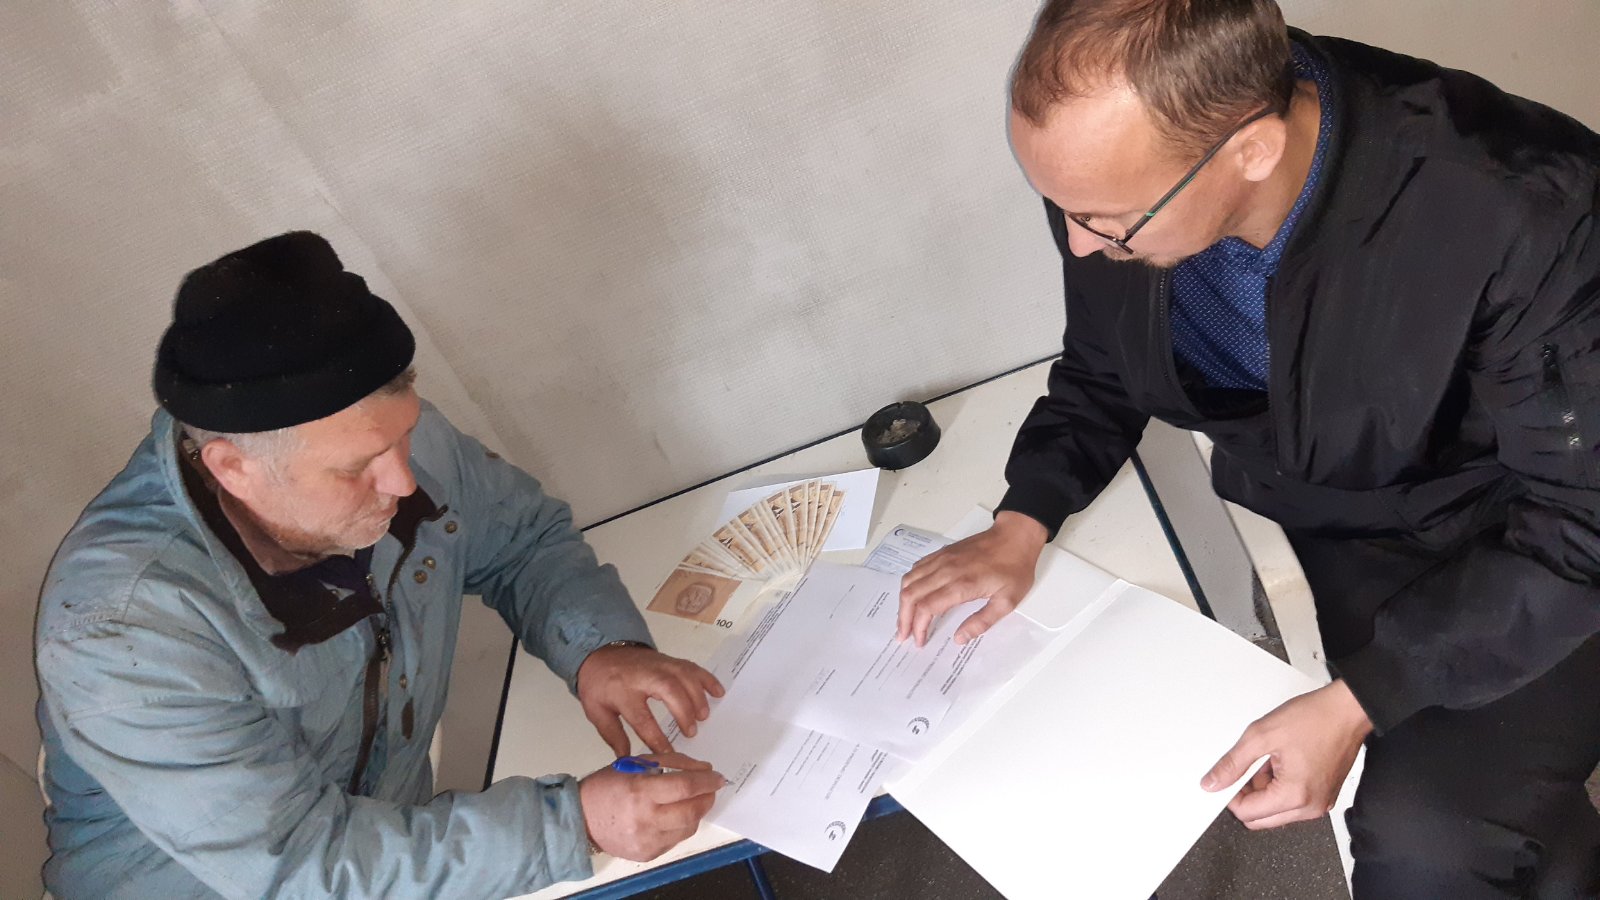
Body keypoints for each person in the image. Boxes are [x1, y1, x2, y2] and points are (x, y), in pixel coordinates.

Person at [896, 1, 1600, 896]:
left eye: (1108, 220)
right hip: (1342, 516)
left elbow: (1582, 524)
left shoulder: (1528, 215)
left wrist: (1362, 698)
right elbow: (1107, 363)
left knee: (1425, 843)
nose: (1078, 242)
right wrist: (1023, 517)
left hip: (1525, 538)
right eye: (1061, 207)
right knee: (1489, 823)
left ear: (1253, 151)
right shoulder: (1127, 191)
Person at [35, 231, 727, 899]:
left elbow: (522, 539)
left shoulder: (378, 435)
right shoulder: (119, 630)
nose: (403, 481)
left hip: (389, 844)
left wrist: (602, 649)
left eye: (406, 433)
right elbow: (302, 866)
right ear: (233, 468)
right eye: (357, 469)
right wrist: (573, 826)